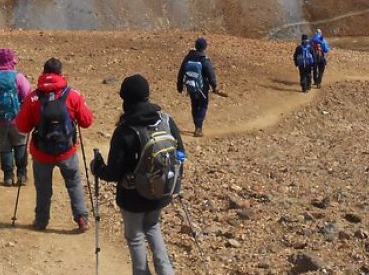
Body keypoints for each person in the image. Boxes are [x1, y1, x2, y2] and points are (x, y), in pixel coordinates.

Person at [91, 75, 185, 275]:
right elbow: (180, 155)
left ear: (125, 99)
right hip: (162, 192)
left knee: (135, 237)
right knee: (152, 226)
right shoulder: (167, 121)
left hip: (133, 197)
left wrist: (97, 168)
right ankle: (167, 272)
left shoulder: (125, 131)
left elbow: (114, 173)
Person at [15, 57, 95, 232]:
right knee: (74, 183)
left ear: (43, 73)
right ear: (60, 74)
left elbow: (22, 127)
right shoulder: (72, 95)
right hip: (67, 151)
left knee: (43, 188)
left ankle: (41, 221)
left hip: (41, 153)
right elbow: (87, 121)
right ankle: (81, 218)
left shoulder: (33, 98)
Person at [0, 47, 33, 186]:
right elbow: (27, 95)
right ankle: (22, 175)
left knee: (4, 147)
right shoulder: (18, 77)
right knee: (20, 144)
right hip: (16, 119)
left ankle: (8, 177)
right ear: (11, 61)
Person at [176, 37, 220, 137]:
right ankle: (198, 128)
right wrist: (214, 86)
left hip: (191, 87)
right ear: (204, 47)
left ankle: (197, 126)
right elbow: (211, 74)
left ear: (195, 46)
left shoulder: (188, 57)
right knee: (203, 106)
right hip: (202, 88)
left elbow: (181, 72)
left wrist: (179, 85)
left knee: (194, 106)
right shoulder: (204, 59)